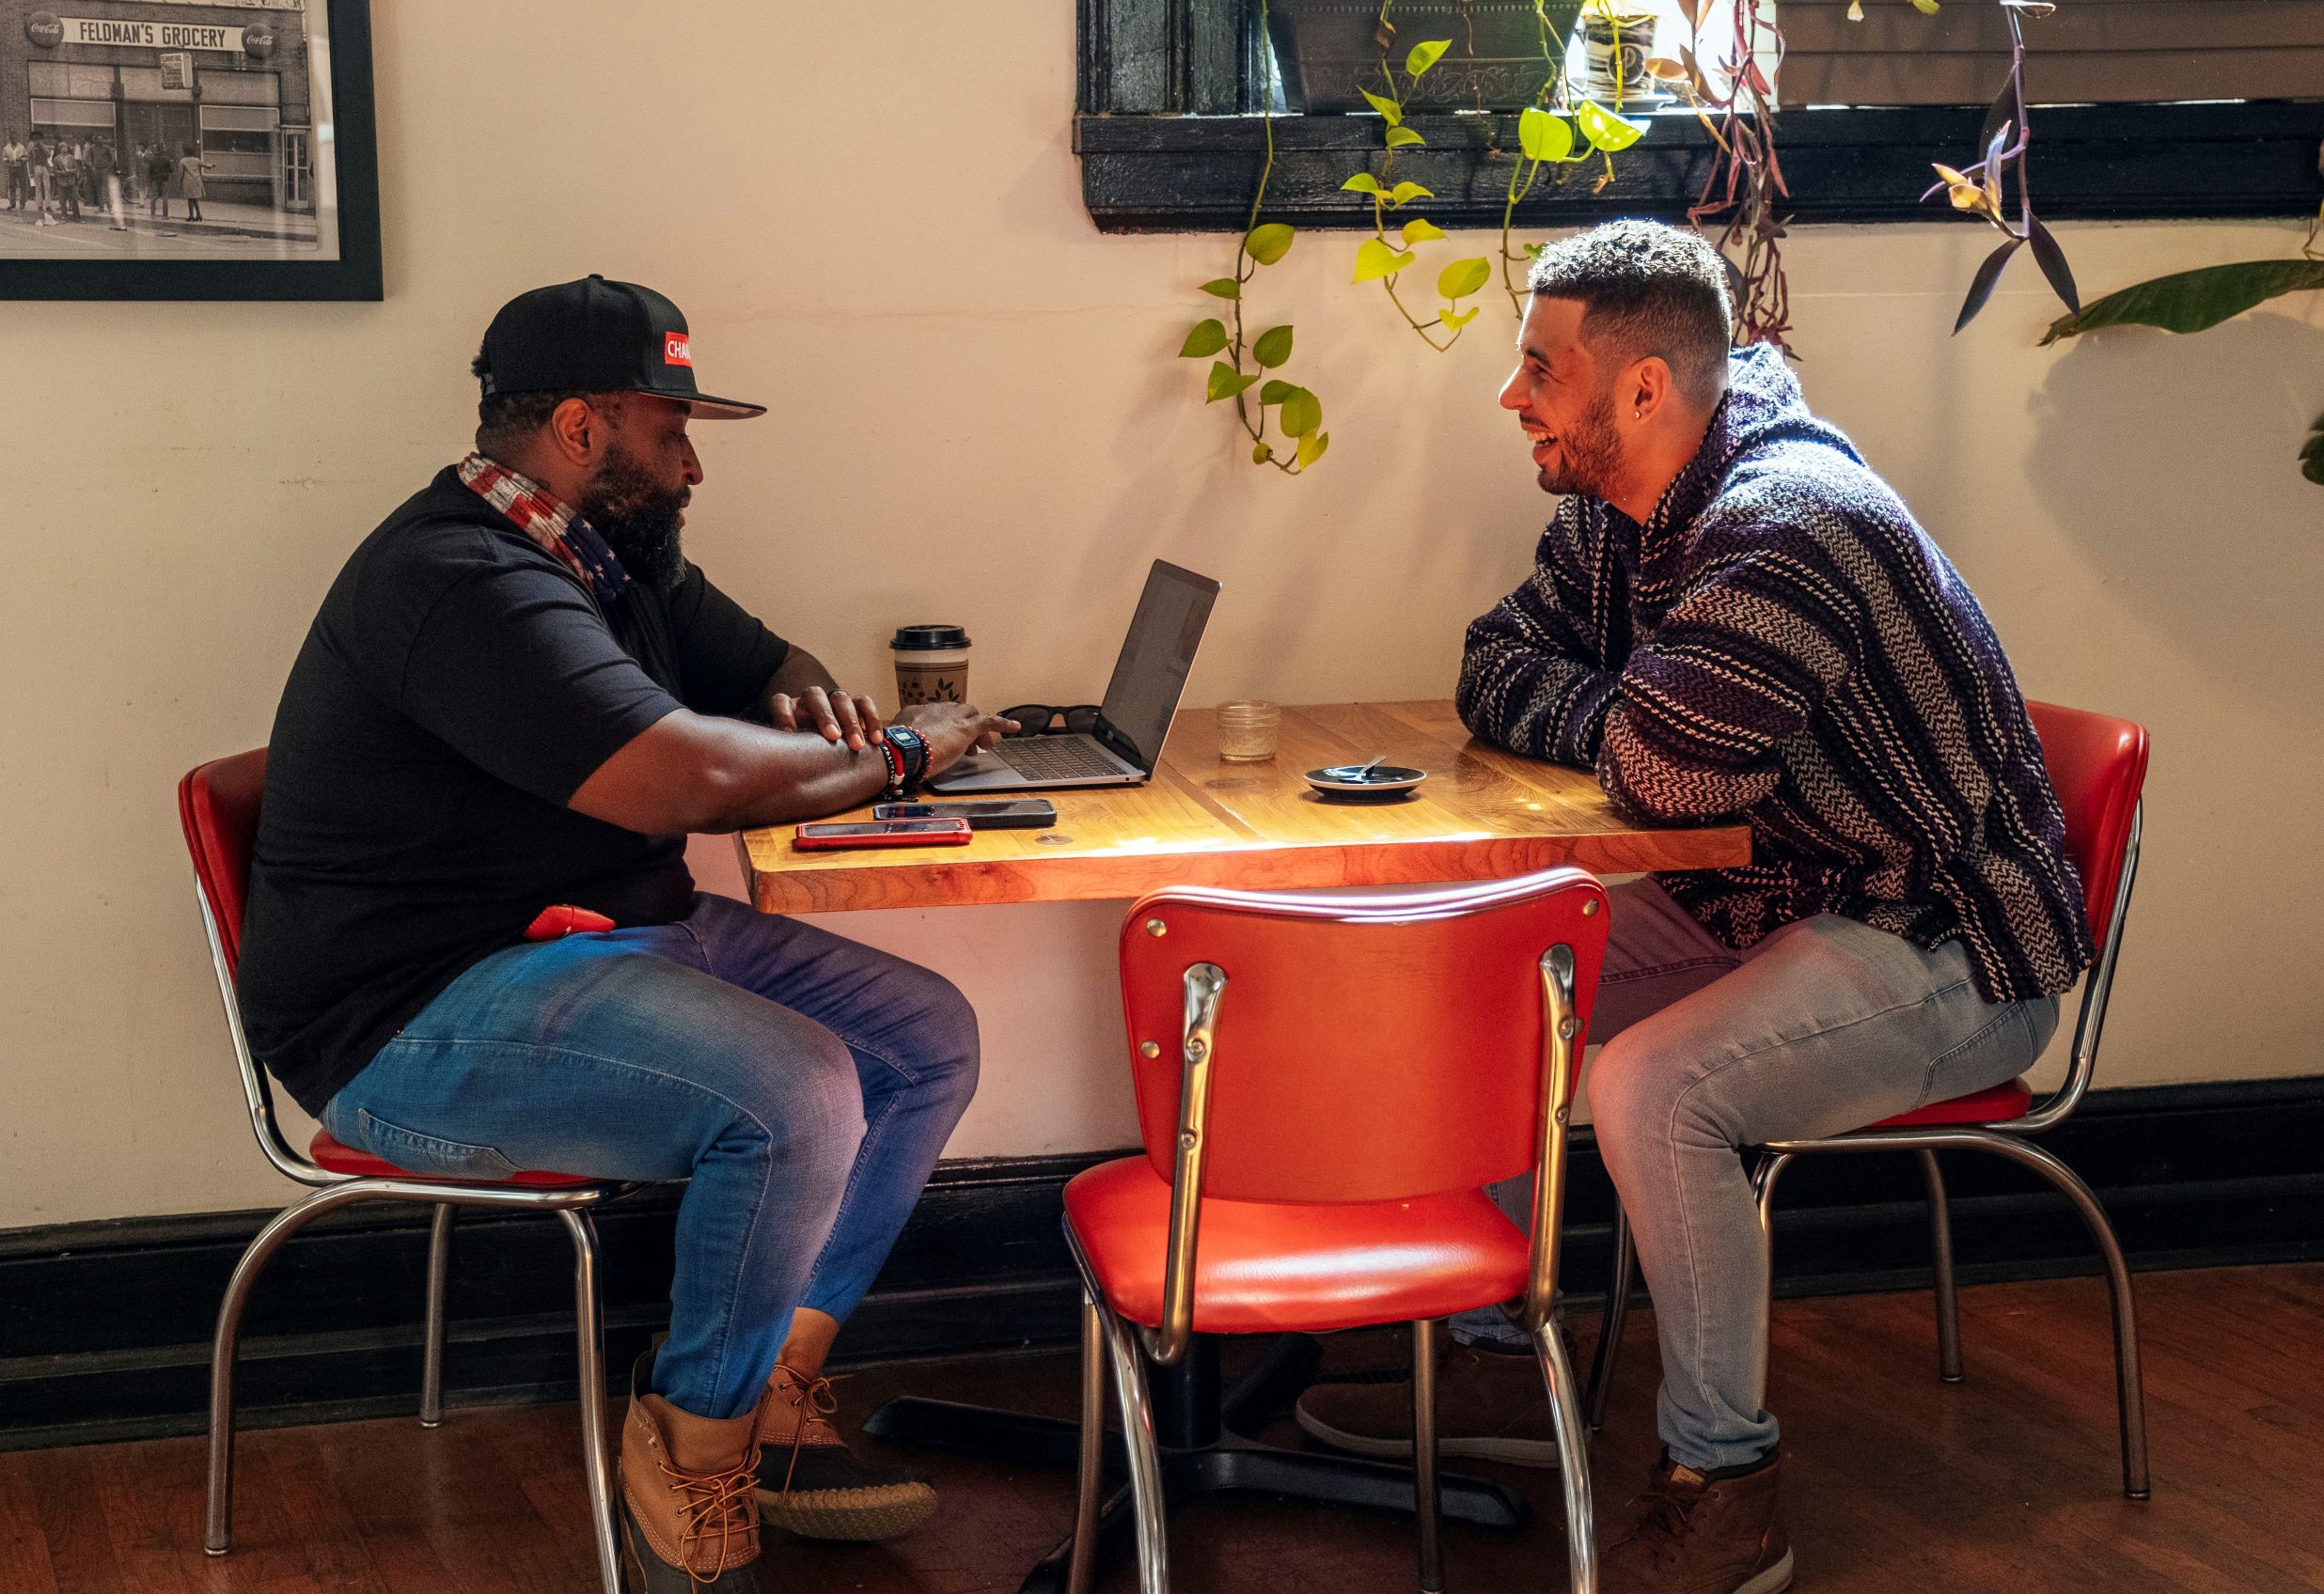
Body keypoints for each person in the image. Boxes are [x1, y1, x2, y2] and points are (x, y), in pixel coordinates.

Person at [1294, 220, 2091, 1594]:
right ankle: (1500, 1358)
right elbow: (1496, 662)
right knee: (1501, 984)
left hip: (1943, 944)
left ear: (1645, 387)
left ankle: (1727, 1489)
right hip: (1768, 901)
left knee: (1653, 1088)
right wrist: (1627, 715)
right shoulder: (1619, 510)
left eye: (1541, 369)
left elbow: (1667, 778)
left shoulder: (1787, 527)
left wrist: (1631, 729)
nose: (1511, 394)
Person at [235, 276, 1018, 1593]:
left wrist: (818, 715)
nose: (694, 464)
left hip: (603, 941)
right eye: (674, 429)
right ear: (582, 426)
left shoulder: (616, 558)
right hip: (417, 1018)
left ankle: (768, 1393)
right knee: (795, 1092)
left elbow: (769, 670)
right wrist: (898, 755)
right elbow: (685, 781)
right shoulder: (458, 581)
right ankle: (692, 1464)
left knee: (920, 1036)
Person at [176, 143, 212, 220]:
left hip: (188, 181)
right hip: (197, 181)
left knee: (190, 199)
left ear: (185, 152)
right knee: (195, 198)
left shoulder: (183, 161)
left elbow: (180, 173)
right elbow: (205, 165)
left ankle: (191, 215)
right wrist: (211, 165)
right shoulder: (196, 160)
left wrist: (179, 182)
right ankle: (199, 215)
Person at [147, 141, 173, 218]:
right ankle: (164, 215)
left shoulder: (152, 159)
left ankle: (152, 214)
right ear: (162, 149)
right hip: (164, 179)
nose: (165, 148)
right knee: (165, 197)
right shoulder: (167, 159)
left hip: (155, 179)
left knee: (153, 196)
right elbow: (171, 170)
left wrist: (151, 179)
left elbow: (150, 170)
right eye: (164, 147)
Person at [2, 132, 25, 213]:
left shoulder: (21, 147)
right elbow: (3, 158)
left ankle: (22, 203)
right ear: (10, 139)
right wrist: (8, 160)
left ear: (17, 138)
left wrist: (20, 159)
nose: (14, 139)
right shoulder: (6, 148)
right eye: (13, 138)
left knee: (22, 185)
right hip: (11, 168)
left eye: (16, 138)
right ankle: (12, 203)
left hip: (20, 168)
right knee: (12, 185)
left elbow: (26, 157)